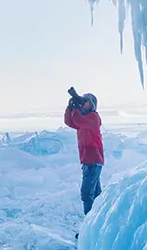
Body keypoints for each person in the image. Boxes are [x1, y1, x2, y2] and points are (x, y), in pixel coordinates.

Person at [64, 89, 104, 219]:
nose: (82, 103)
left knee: (86, 194)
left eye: (85, 101)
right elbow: (70, 122)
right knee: (96, 194)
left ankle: (90, 224)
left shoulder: (93, 117)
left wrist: (75, 108)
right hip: (89, 161)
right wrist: (70, 107)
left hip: (93, 160)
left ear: (92, 104)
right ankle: (100, 222)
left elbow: (78, 120)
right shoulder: (84, 120)